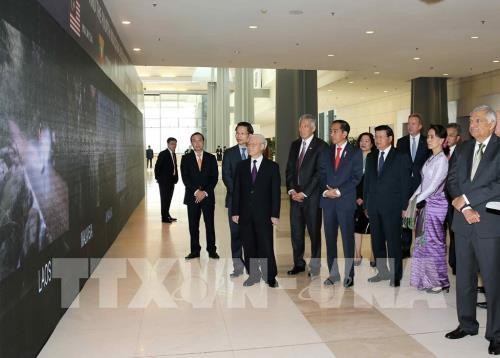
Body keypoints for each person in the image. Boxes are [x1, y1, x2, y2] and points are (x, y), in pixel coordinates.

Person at [445, 105, 500, 355]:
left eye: (478, 121)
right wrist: (464, 207)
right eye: (472, 121)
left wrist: (466, 199)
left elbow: (497, 185)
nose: (472, 125)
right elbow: (452, 180)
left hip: (489, 224)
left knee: (493, 281)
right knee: (464, 277)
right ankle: (466, 324)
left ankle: (496, 334)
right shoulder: (464, 148)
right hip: (463, 221)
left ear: (492, 123)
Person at [364, 125, 411, 287]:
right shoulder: (371, 156)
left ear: (390, 138)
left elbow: (405, 184)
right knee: (377, 242)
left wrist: (404, 206)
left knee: (393, 243)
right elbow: (367, 183)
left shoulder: (401, 156)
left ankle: (395, 275)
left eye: (381, 137)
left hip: (393, 207)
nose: (377, 140)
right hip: (374, 206)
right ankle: (382, 272)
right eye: (376, 137)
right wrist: (366, 204)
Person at [231, 134, 281, 288]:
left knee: (266, 245)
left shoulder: (272, 167)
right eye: (249, 144)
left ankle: (270, 275)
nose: (249, 146)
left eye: (253, 144)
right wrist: (235, 212)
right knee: (249, 245)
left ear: (262, 146)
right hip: (245, 214)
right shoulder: (241, 166)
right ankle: (253, 275)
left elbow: (275, 192)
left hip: (264, 214)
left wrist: (274, 214)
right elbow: (237, 190)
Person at [319, 120, 363, 287]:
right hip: (328, 202)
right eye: (331, 131)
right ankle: (333, 274)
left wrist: (338, 191)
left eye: (335, 131)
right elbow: (321, 174)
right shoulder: (326, 152)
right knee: (330, 240)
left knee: (347, 240)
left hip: (345, 202)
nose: (332, 134)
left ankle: (349, 275)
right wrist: (325, 190)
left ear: (345, 133)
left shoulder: (355, 153)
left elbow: (356, 177)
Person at [285, 114, 328, 278]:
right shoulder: (295, 145)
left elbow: (319, 173)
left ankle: (315, 265)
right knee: (296, 232)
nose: (301, 129)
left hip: (312, 198)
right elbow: (289, 169)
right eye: (300, 126)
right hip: (294, 196)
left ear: (313, 128)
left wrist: (304, 192)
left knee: (314, 232)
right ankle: (298, 263)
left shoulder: (321, 146)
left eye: (305, 126)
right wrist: (291, 190)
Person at [408, 124, 449, 293]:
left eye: (432, 136)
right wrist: (412, 198)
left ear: (442, 140)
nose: (429, 140)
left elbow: (433, 186)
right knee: (422, 242)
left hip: (436, 204)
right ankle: (425, 279)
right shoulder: (431, 158)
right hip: (427, 203)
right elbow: (423, 183)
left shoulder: (442, 160)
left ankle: (438, 281)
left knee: (434, 242)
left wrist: (417, 199)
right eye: (428, 136)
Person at [222, 122, 254, 277]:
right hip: (234, 200)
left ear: (249, 135)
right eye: (237, 133)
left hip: (253, 202)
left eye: (242, 133)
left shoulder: (255, 151)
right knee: (235, 234)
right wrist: (239, 193)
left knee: (250, 234)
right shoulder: (229, 153)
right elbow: (226, 176)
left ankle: (251, 266)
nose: (238, 136)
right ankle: (238, 266)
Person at [180, 132, 219, 260]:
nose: (197, 143)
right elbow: (185, 178)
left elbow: (214, 178)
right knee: (193, 225)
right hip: (192, 197)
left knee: (210, 224)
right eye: (194, 141)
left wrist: (205, 192)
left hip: (208, 197)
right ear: (191, 143)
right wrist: (197, 192)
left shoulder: (211, 158)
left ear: (203, 141)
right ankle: (195, 250)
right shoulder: (186, 159)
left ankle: (211, 250)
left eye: (199, 140)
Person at [397, 113, 430, 258]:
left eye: (414, 123)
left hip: (422, 186)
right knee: (406, 218)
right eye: (409, 123)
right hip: (405, 185)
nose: (410, 126)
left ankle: (420, 248)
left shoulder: (427, 141)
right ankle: (405, 248)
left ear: (420, 126)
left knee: (421, 219)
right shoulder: (401, 142)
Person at [354, 132, 376, 267]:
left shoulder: (375, 158)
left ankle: (374, 254)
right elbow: (350, 179)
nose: (363, 143)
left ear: (372, 144)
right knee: (356, 227)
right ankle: (357, 254)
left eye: (367, 141)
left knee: (374, 227)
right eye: (361, 140)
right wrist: (357, 197)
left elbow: (374, 181)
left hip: (371, 198)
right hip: (355, 199)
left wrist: (365, 198)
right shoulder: (354, 158)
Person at [445, 123, 461, 275]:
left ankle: (455, 263)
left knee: (454, 232)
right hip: (438, 201)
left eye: (451, 135)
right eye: (446, 134)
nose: (447, 138)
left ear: (458, 138)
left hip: (453, 200)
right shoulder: (438, 152)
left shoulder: (462, 154)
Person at [154, 138, 178, 223]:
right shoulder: (163, 154)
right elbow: (157, 167)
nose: (174, 145)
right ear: (168, 144)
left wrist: (176, 178)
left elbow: (174, 167)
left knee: (168, 199)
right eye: (172, 144)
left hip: (171, 181)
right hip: (164, 182)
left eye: (175, 144)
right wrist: (159, 179)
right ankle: (164, 218)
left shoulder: (173, 154)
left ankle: (167, 215)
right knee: (164, 199)